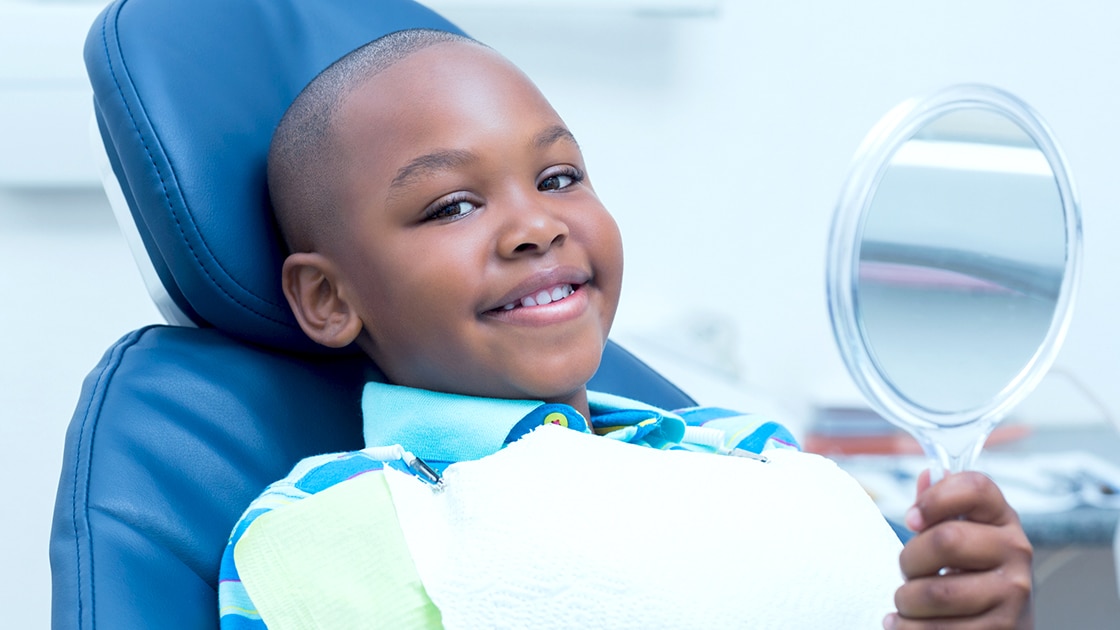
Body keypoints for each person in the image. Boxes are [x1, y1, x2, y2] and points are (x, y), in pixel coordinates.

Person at [218, 28, 1033, 629]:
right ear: (328, 297)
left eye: (559, 176)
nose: (536, 225)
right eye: (453, 205)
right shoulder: (327, 523)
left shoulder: (750, 451)